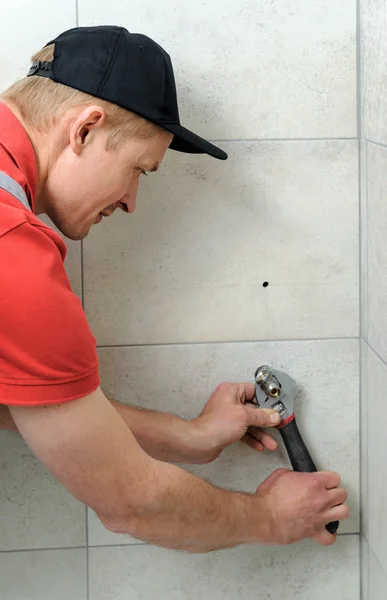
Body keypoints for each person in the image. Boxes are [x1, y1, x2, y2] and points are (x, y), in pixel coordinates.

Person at [0, 25, 349, 553]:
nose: (132, 202)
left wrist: (189, 437)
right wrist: (269, 516)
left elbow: (20, 400)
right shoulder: (14, 255)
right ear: (86, 129)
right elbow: (131, 501)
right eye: (139, 169)